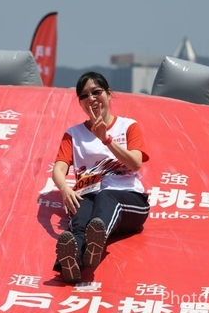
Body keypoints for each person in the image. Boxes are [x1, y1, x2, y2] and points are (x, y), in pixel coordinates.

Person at [52, 71, 150, 283]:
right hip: (89, 194)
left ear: (108, 93)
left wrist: (106, 139)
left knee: (106, 197)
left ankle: (96, 237)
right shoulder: (73, 134)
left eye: (96, 92)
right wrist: (65, 189)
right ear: (80, 102)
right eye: (84, 95)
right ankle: (71, 263)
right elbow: (58, 169)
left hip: (128, 199)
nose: (92, 99)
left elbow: (135, 163)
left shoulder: (128, 126)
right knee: (80, 217)